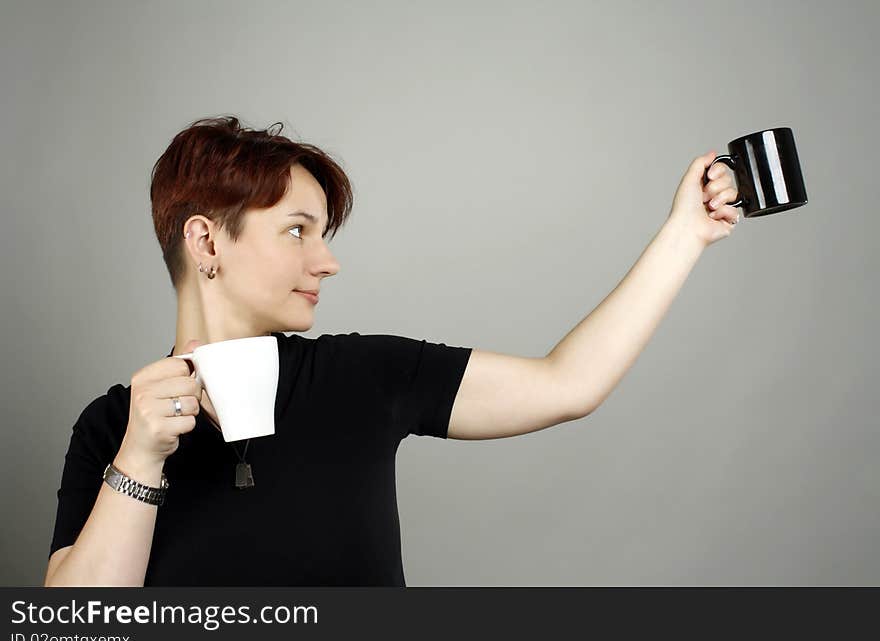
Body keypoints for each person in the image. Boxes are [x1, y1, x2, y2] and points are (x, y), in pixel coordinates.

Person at [44, 116, 740, 586]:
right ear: (205, 242)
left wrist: (687, 233)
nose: (326, 261)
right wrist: (140, 459)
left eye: (325, 235)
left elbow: (568, 383)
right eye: (297, 230)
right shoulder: (110, 427)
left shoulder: (365, 375)